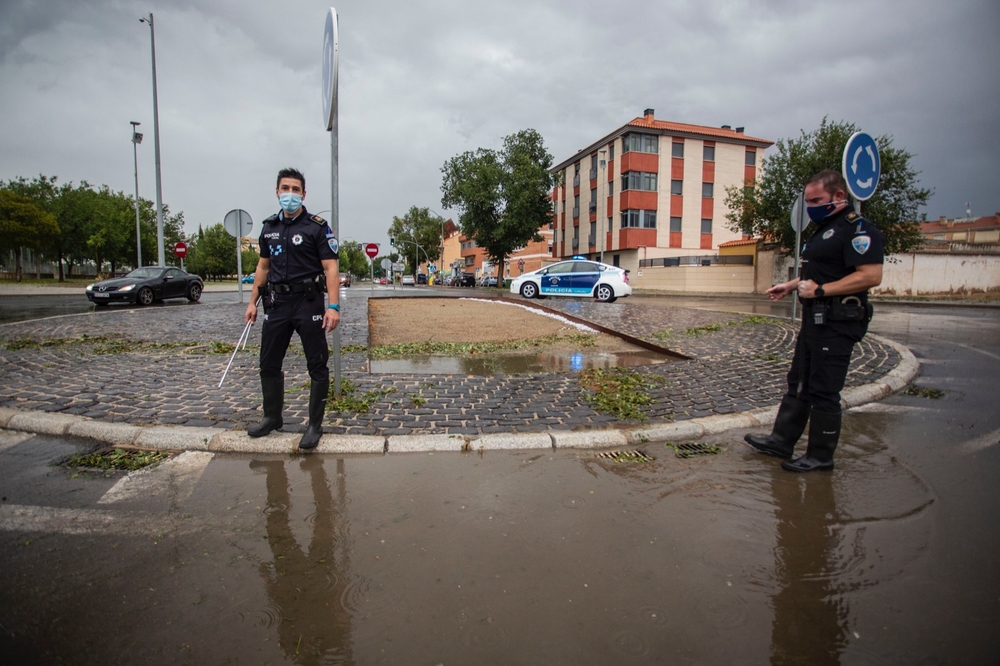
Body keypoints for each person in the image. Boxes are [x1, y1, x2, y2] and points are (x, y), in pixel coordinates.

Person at [744, 169, 884, 472]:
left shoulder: (858, 230)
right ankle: (781, 440)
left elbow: (870, 276)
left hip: (838, 322)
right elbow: (819, 270)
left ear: (838, 197)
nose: (811, 207)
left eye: (817, 200)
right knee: (799, 381)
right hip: (815, 321)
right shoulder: (824, 229)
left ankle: (820, 456)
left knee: (823, 389)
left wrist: (822, 290)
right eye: (808, 201)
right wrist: (792, 286)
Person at [245, 168, 340, 450]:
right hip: (276, 304)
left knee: (316, 364)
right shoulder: (269, 228)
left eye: (295, 189)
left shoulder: (317, 227)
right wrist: (252, 302)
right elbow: (263, 267)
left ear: (303, 194)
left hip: (308, 302)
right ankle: (272, 418)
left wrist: (333, 307)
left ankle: (314, 426)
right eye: (285, 188)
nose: (290, 194)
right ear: (277, 192)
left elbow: (331, 268)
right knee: (269, 363)